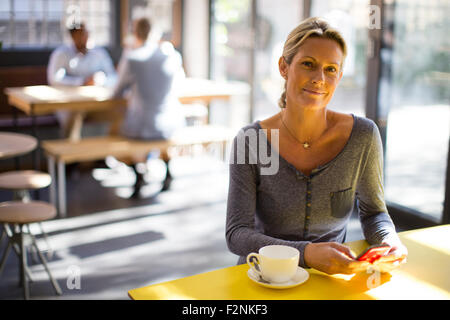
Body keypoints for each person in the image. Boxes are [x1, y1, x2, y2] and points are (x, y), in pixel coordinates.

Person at [226, 17, 408, 275]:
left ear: (340, 76)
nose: (319, 78)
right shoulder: (251, 141)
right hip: (263, 278)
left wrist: (390, 241)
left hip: (328, 277)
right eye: (308, 64)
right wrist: (306, 253)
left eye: (331, 69)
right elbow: (237, 234)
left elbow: (375, 214)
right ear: (283, 67)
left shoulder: (363, 136)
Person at [112, 17, 186, 196]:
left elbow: (116, 93)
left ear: (134, 33)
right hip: (171, 123)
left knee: (113, 132)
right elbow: (179, 84)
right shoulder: (172, 56)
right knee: (156, 130)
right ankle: (167, 170)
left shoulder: (132, 58)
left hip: (143, 125)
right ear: (155, 34)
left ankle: (138, 173)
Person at [47, 22, 117, 136]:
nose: (84, 38)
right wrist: (82, 82)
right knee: (73, 114)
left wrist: (100, 80)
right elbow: (54, 79)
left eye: (86, 34)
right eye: (80, 35)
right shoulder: (61, 54)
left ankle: (111, 151)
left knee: (119, 114)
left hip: (97, 102)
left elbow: (114, 77)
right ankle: (70, 151)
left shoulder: (99, 53)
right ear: (72, 36)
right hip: (71, 103)